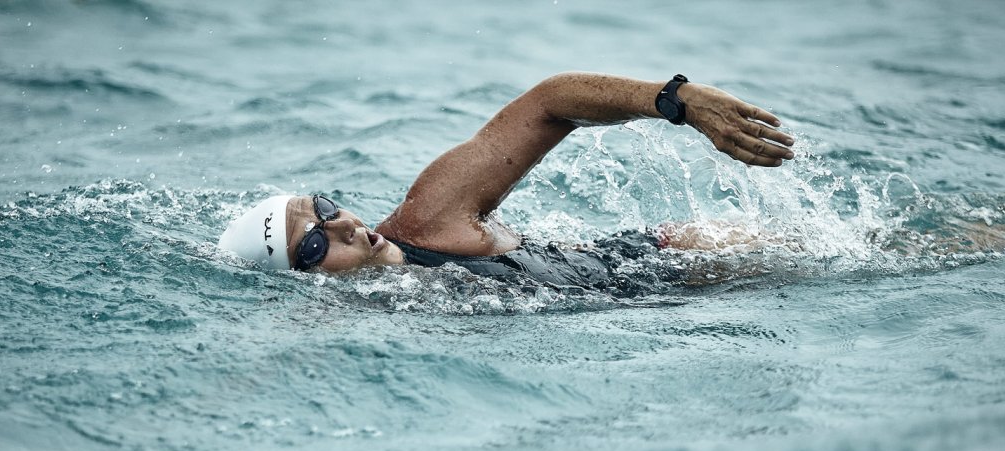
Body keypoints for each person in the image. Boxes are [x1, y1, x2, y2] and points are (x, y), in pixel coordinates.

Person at [217, 72, 796, 290]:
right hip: (645, 310)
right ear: (302, 286)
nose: (342, 223)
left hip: (655, 260)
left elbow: (548, 103)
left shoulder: (428, 220)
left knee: (829, 259)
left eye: (324, 207)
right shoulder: (380, 318)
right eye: (315, 243)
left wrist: (678, 101)